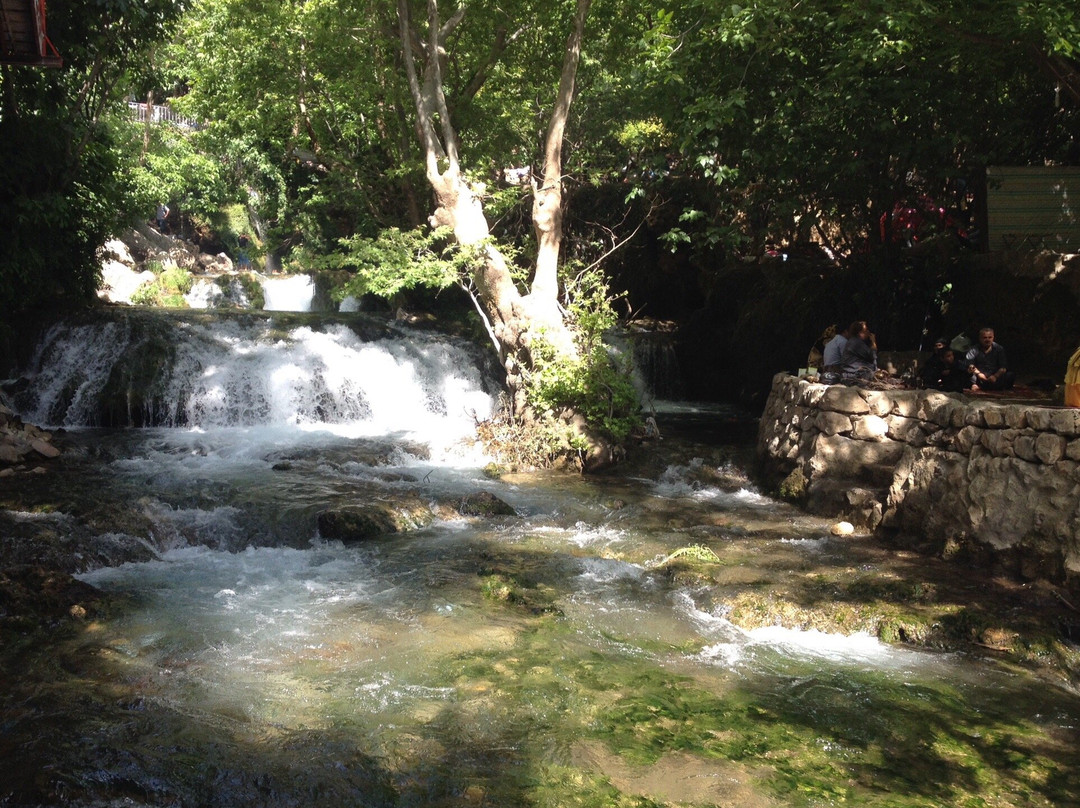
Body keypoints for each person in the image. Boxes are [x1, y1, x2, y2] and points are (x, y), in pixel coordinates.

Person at [964, 327, 1015, 391]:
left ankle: (990, 387)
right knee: (966, 372)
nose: (987, 340)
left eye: (990, 337)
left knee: (1010, 375)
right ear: (980, 338)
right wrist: (978, 373)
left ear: (993, 337)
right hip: (978, 377)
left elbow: (1003, 367)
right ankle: (975, 385)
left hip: (995, 377)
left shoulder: (999, 349)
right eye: (985, 338)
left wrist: (995, 376)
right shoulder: (974, 349)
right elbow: (970, 365)